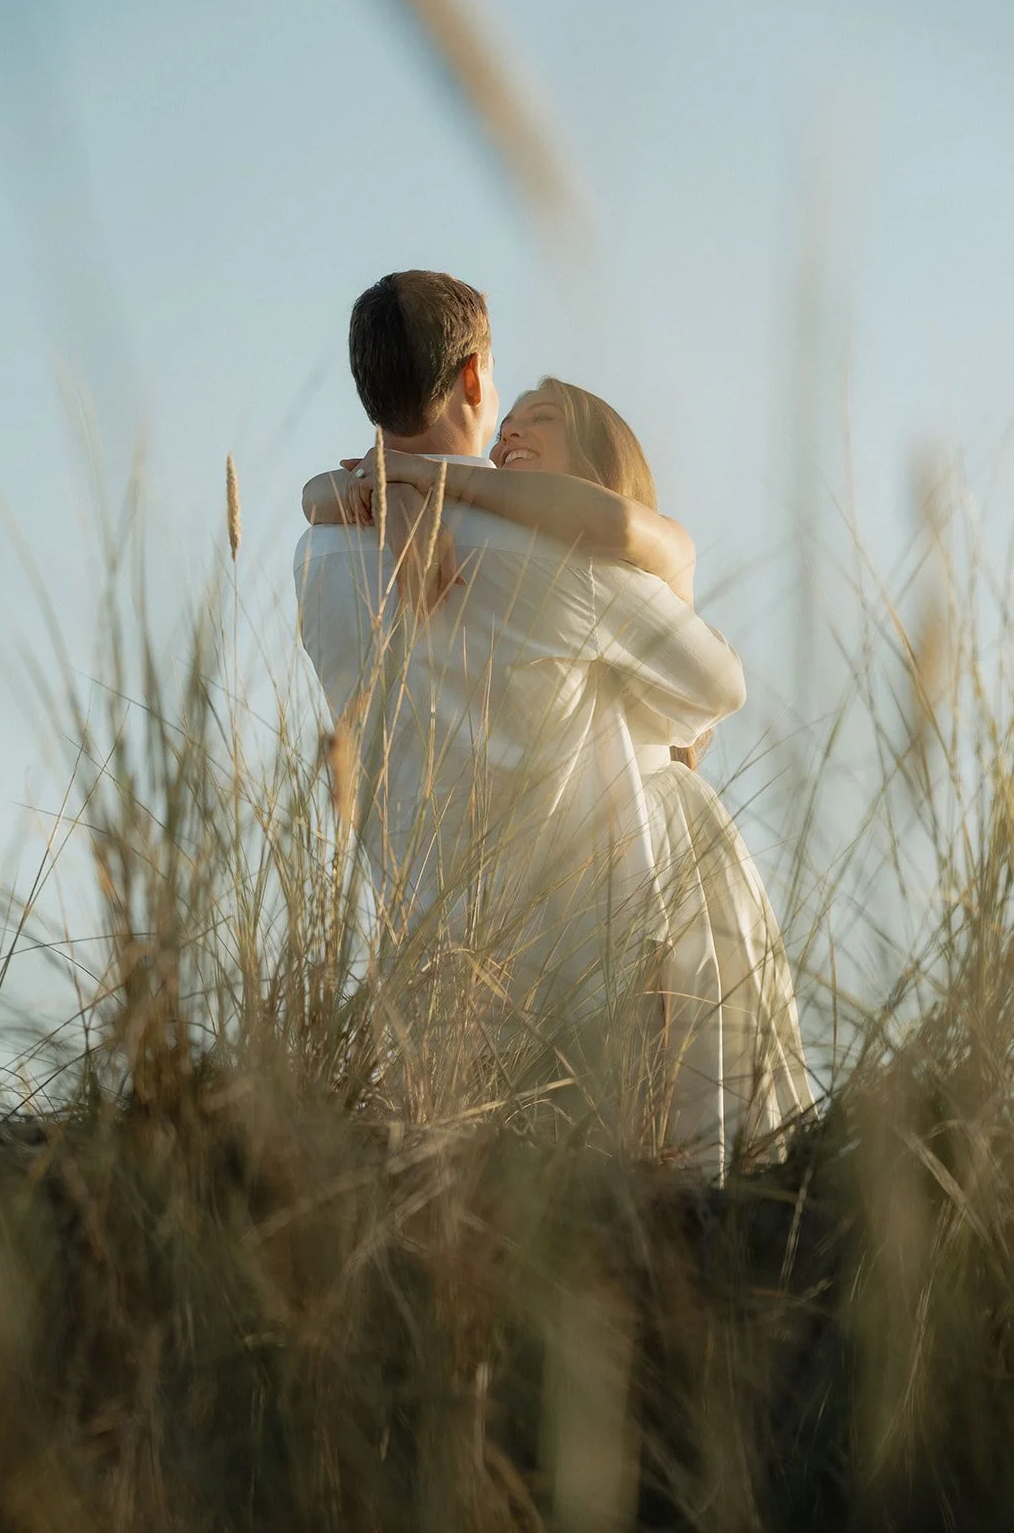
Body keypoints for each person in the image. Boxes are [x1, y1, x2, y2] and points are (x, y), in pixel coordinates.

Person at [294, 271, 805, 1166]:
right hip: (589, 969)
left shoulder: (318, 558)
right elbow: (714, 688)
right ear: (474, 380)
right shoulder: (558, 560)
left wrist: (407, 484)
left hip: (434, 973)